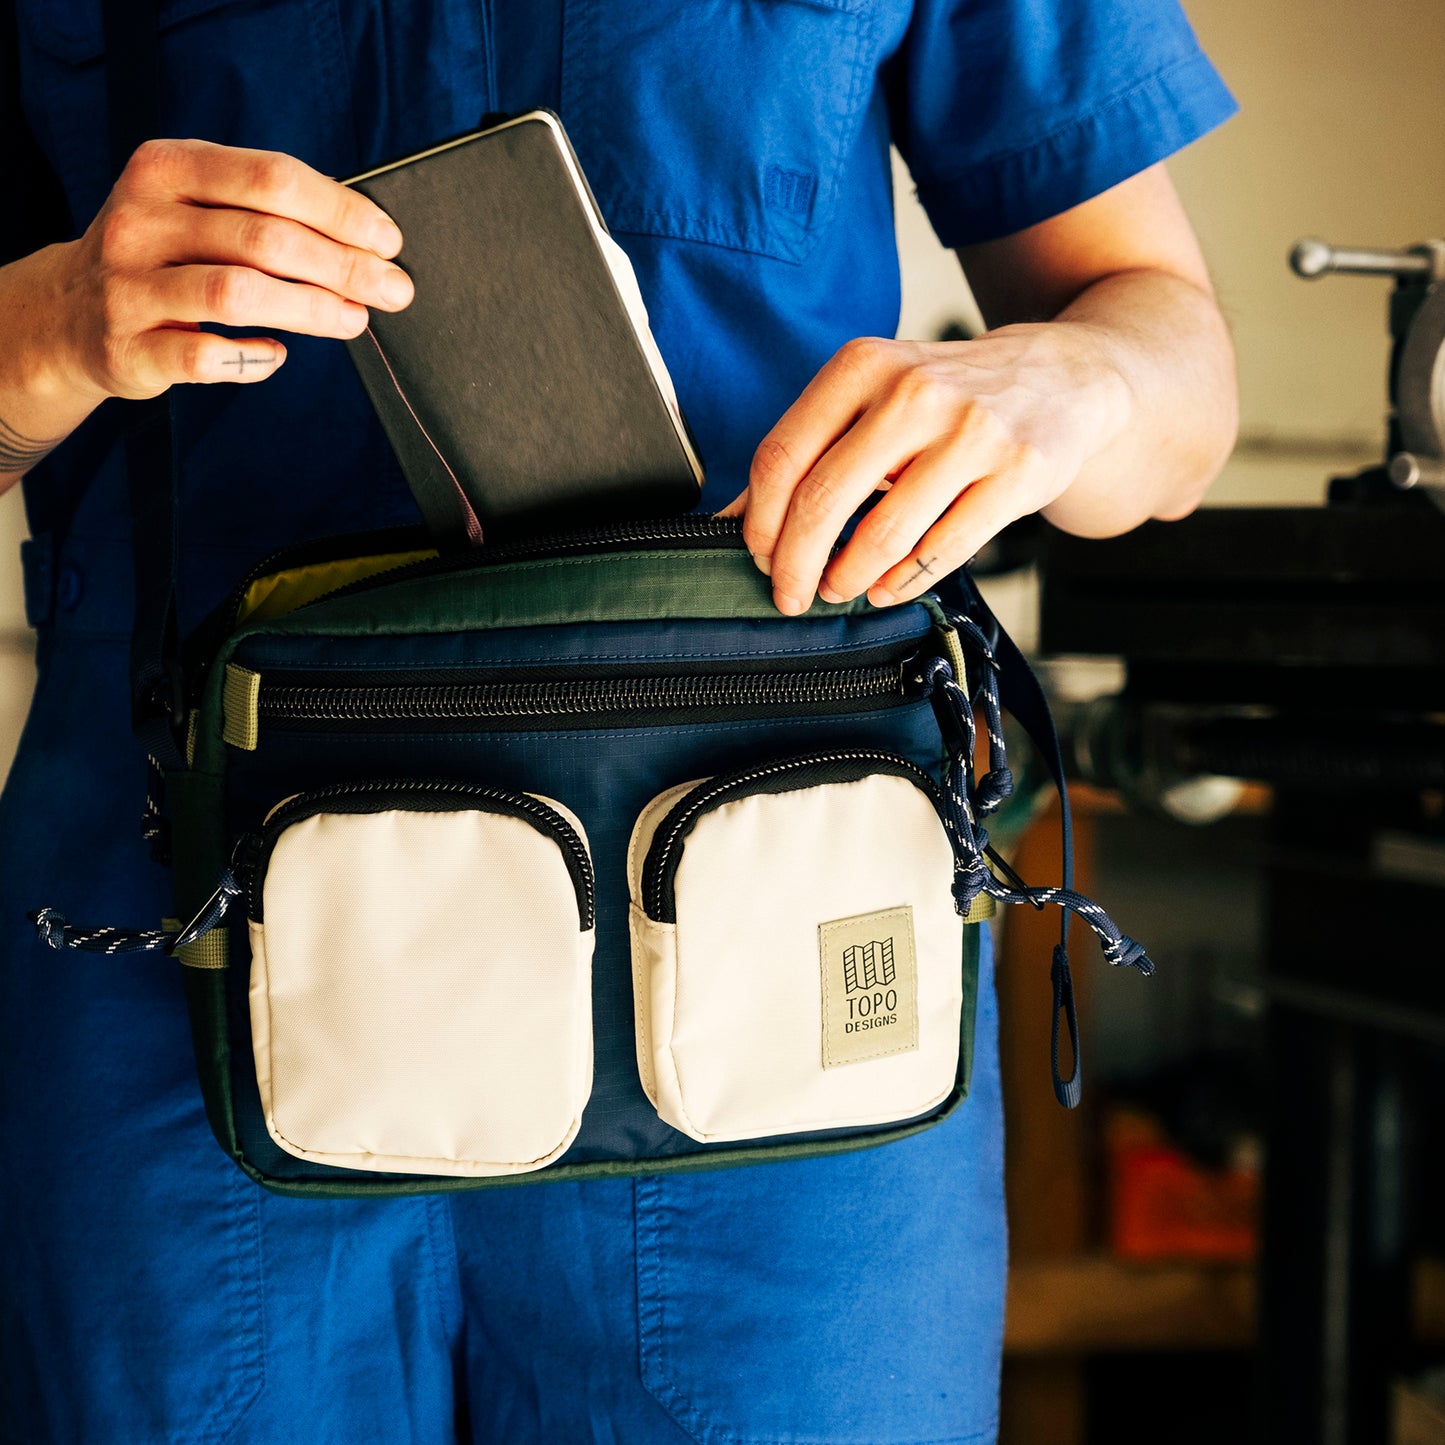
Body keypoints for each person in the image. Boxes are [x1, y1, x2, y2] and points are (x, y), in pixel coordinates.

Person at [0, 1, 1238, 1440]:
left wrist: (1078, 381)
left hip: (780, 909)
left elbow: (1169, 355)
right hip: (175, 941)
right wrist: (43, 327)